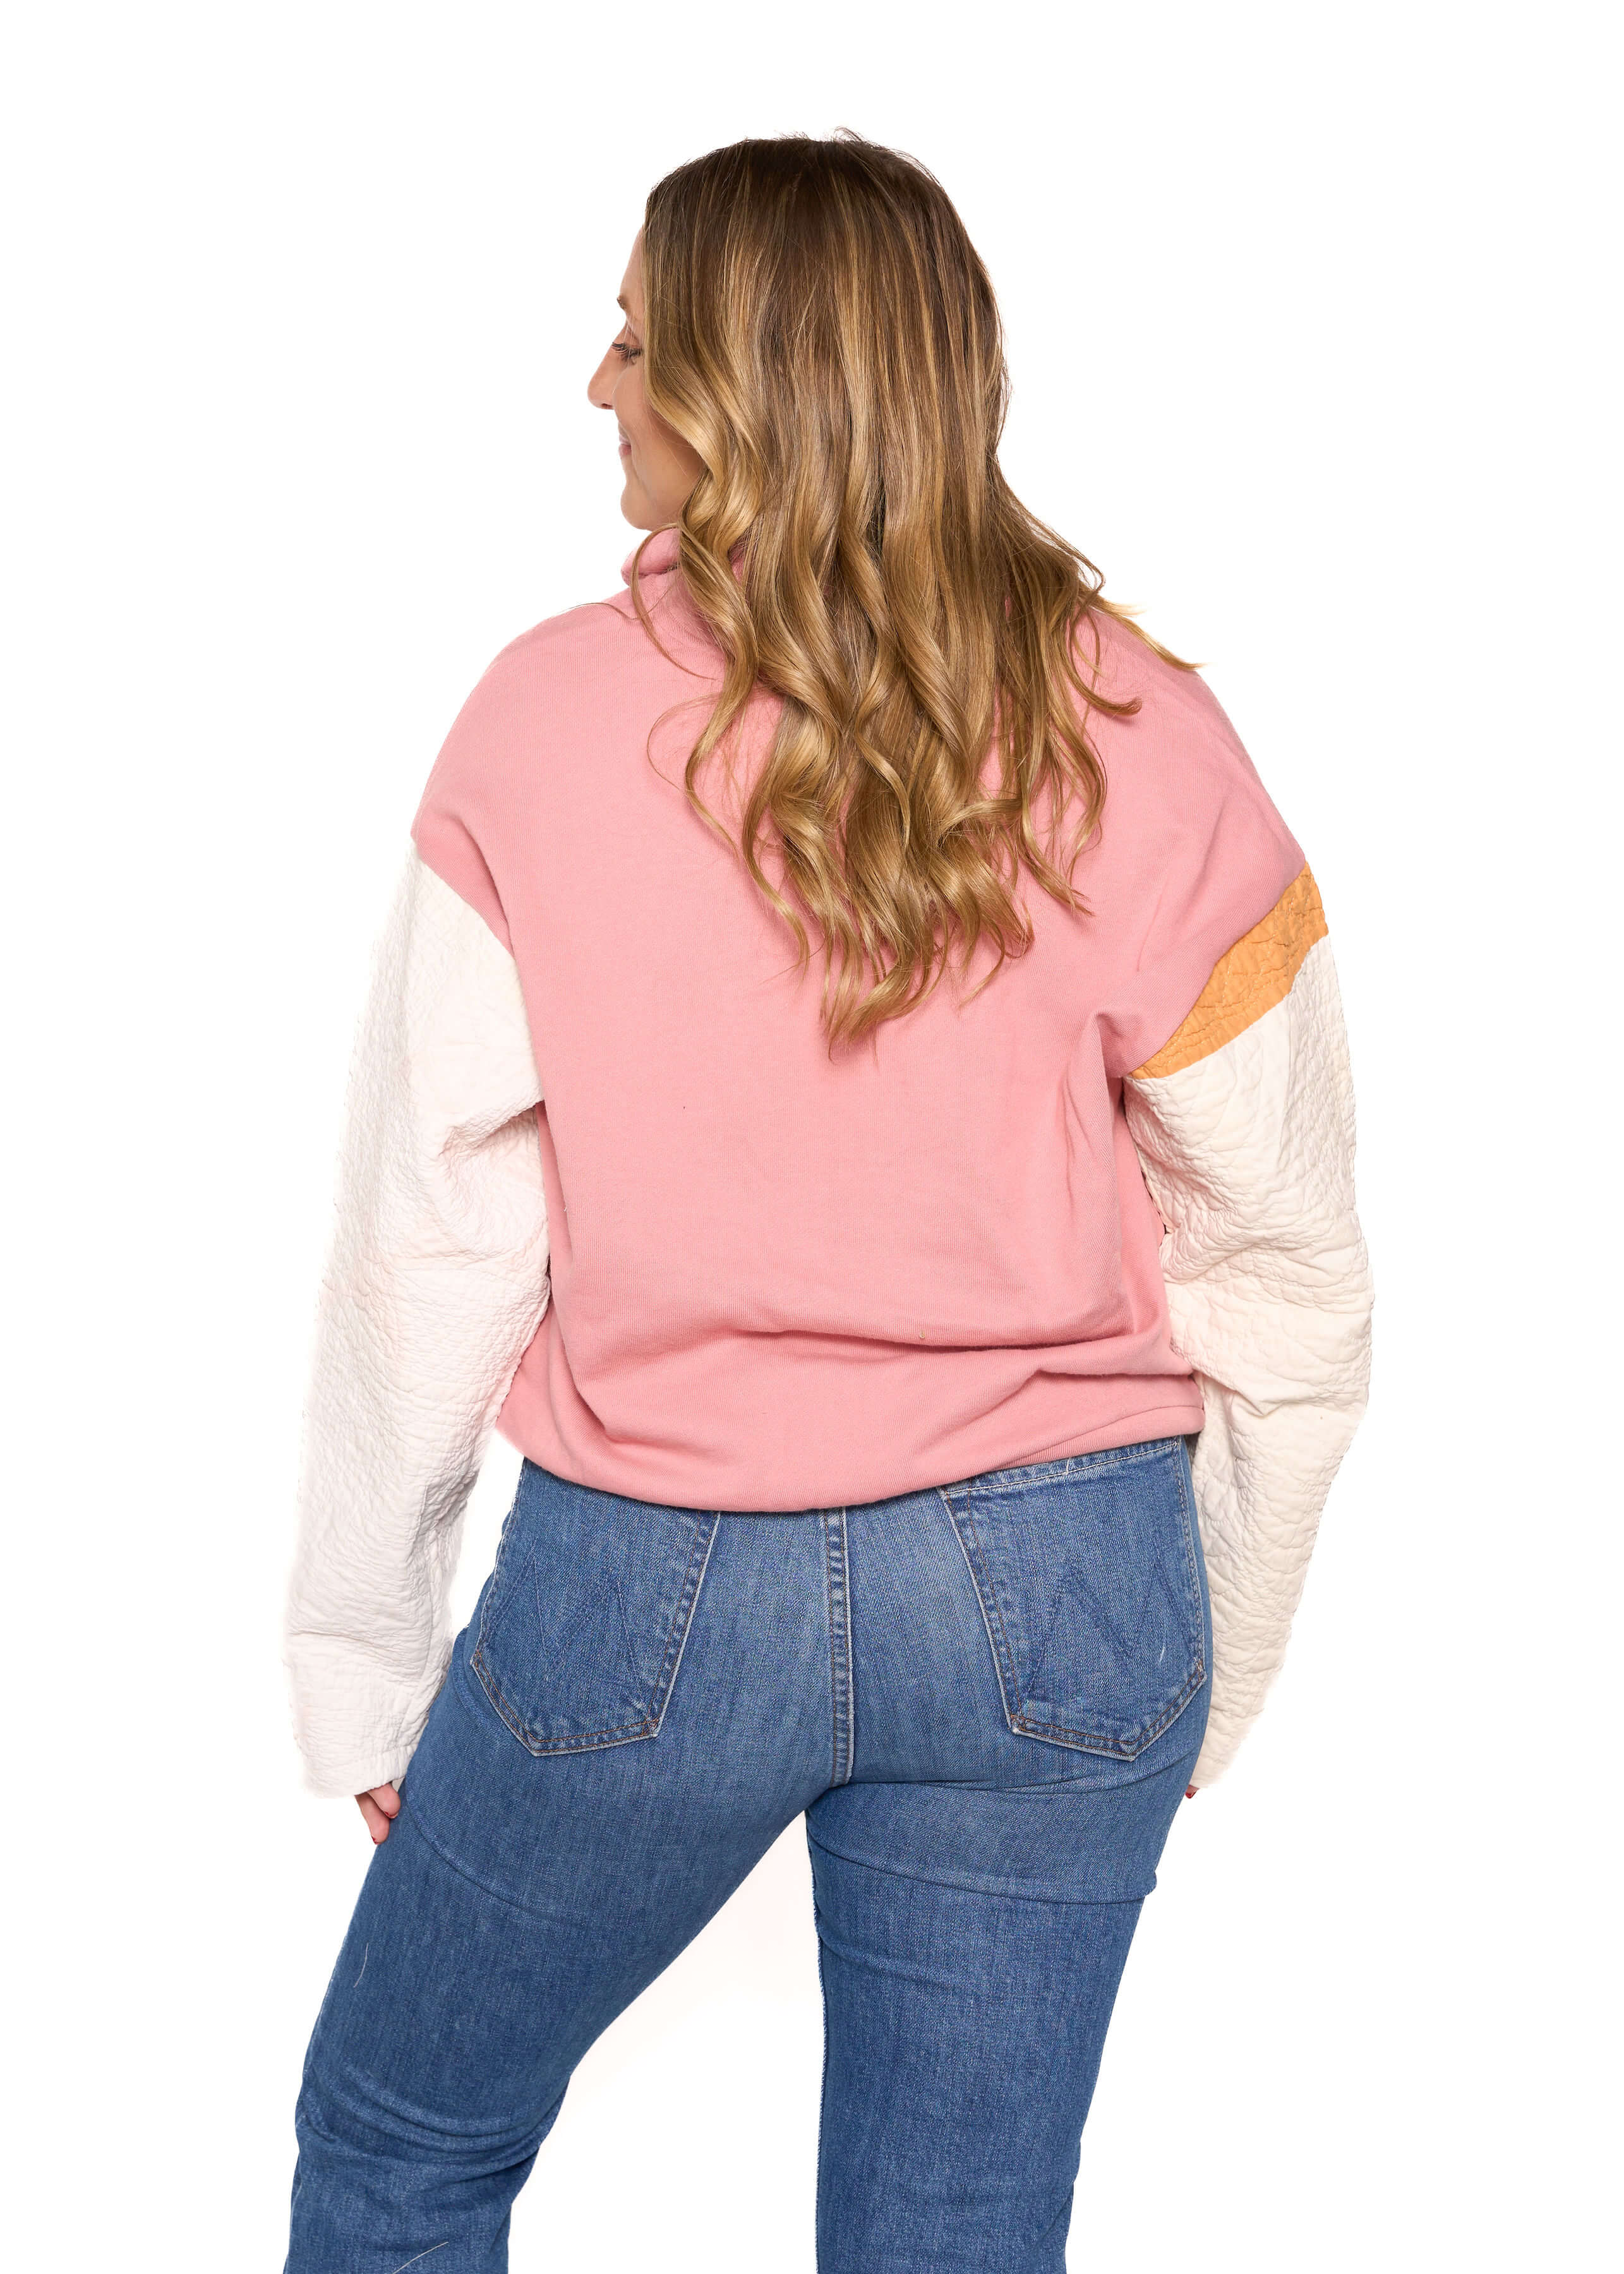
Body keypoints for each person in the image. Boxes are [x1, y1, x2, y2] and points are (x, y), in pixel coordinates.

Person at [282, 132, 1373, 2273]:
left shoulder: (541, 723)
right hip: (1068, 1591)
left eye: (633, 339)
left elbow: (434, 1241)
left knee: (402, 2145)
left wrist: (367, 1663)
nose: (596, 386)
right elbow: (1288, 1265)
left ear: (739, 384)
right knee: (955, 2234)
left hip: (654, 1589)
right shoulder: (1149, 731)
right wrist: (1207, 1666)